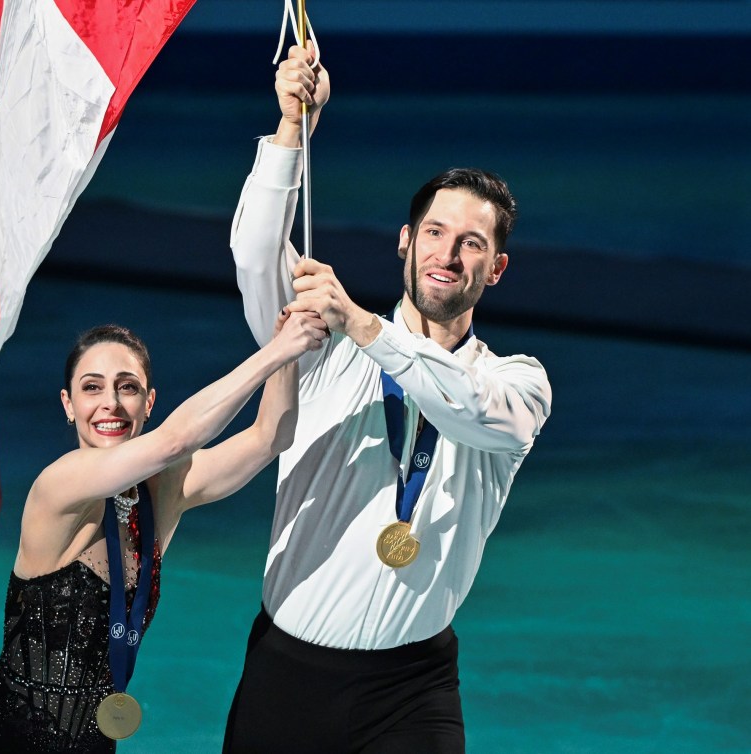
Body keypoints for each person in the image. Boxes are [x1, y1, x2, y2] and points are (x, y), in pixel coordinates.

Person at [221, 44, 553, 753]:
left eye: (470, 243)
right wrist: (290, 128)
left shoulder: (517, 383)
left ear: (494, 269)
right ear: (405, 241)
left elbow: (459, 404)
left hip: (411, 693)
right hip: (285, 674)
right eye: (434, 232)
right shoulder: (321, 343)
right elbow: (255, 252)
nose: (447, 253)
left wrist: (365, 326)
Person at [0, 311, 327, 753]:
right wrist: (276, 350)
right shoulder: (58, 485)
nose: (111, 403)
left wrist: (286, 349)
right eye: (92, 387)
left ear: (149, 401)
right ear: (68, 405)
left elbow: (269, 437)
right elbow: (174, 442)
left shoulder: (161, 494)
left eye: (128, 387)